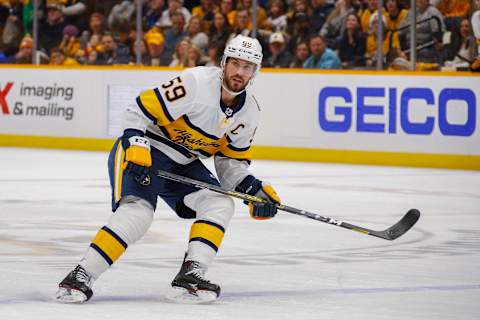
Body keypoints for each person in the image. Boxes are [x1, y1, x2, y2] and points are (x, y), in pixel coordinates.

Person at [55, 34, 281, 304]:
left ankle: (190, 276)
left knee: (219, 203)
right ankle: (80, 276)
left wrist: (253, 189)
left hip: (183, 164)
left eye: (247, 67)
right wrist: (137, 145)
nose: (239, 72)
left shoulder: (249, 113)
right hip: (145, 151)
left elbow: (230, 163)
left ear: (255, 72)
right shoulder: (195, 83)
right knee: (138, 214)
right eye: (235, 64)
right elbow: (137, 109)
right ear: (224, 62)